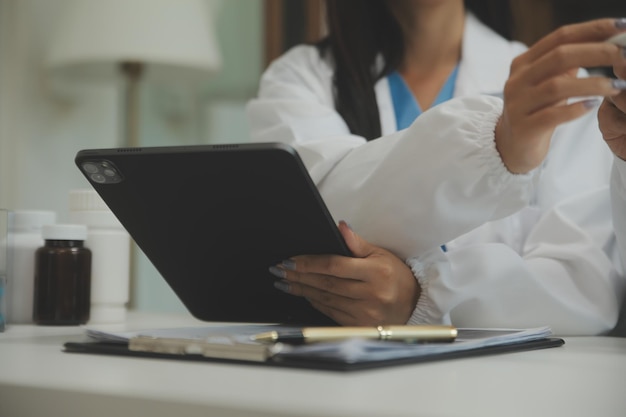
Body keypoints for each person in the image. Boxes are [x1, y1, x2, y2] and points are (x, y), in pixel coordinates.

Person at [246, 0, 626, 335]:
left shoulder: (557, 86)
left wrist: (425, 296)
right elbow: (319, 210)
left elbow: (582, 288)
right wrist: (499, 145)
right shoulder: (300, 78)